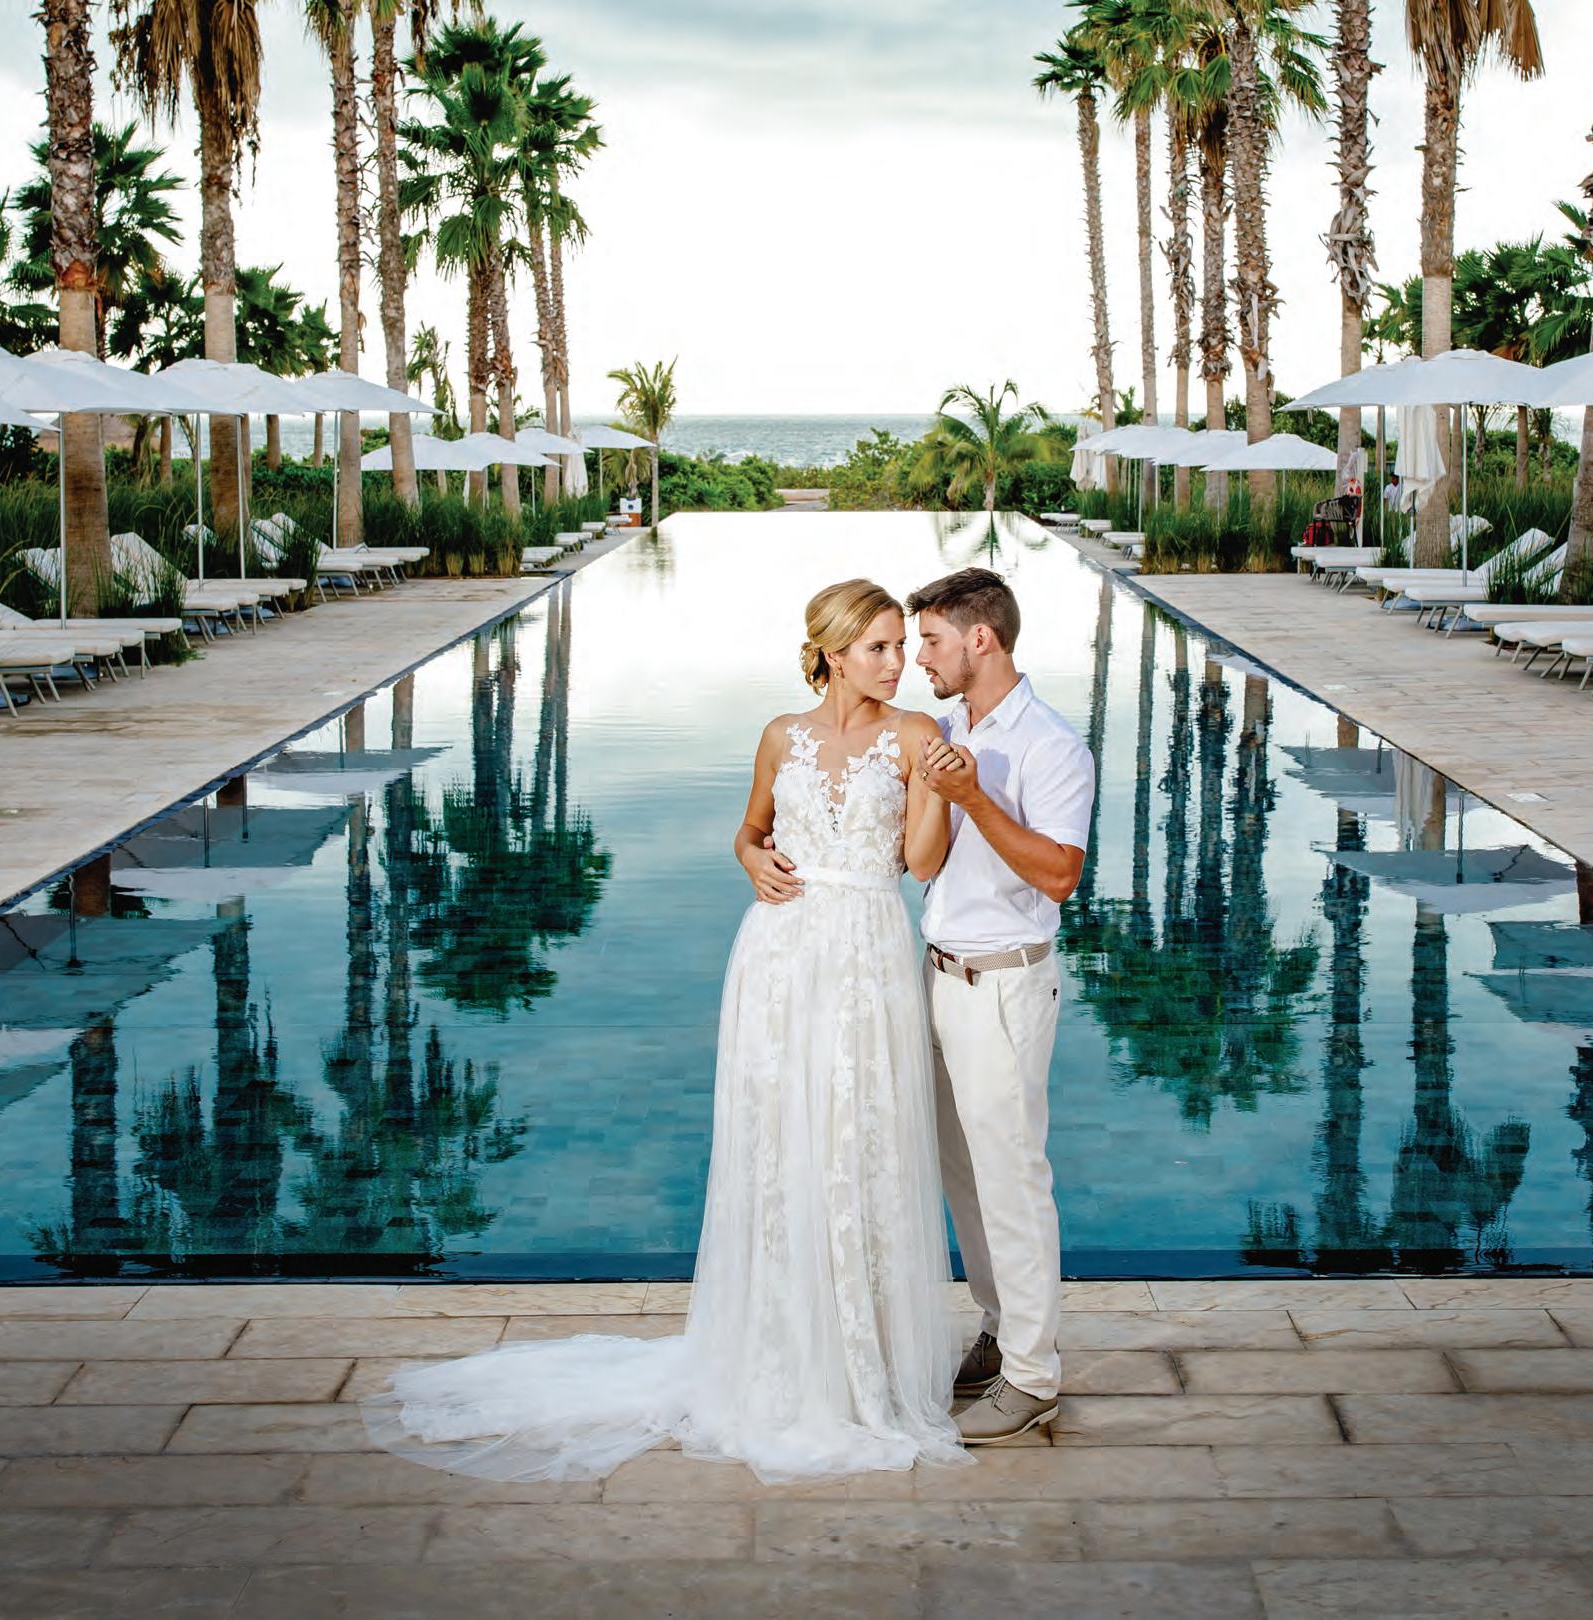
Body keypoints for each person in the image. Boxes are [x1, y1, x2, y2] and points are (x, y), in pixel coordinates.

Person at [364, 579, 970, 1483]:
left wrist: (941, 791)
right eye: (879, 647)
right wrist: (751, 857)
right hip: (778, 956)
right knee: (780, 1147)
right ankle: (778, 1350)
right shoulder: (781, 735)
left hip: (869, 952)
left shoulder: (919, 735)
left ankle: (862, 1361)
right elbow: (749, 831)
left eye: (899, 646)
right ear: (833, 652)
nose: (897, 663)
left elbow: (921, 864)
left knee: (862, 1140)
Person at [903, 567, 1095, 1445]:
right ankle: (1000, 1324)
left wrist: (974, 797)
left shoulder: (1053, 747)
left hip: (1004, 984)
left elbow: (1060, 875)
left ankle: (1033, 1376)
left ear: (980, 638)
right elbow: (923, 860)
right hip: (937, 977)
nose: (919, 660)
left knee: (1012, 1180)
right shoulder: (944, 731)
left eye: (931, 641)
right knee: (963, 1175)